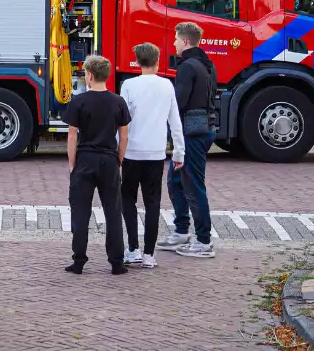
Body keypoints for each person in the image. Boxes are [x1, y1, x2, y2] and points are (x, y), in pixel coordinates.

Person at [63, 55, 130, 275]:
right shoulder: (118, 102)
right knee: (113, 212)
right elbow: (124, 135)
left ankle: (79, 261)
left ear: (89, 76)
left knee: (81, 212)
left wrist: (72, 164)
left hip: (85, 159)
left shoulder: (79, 102)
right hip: (109, 159)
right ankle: (117, 262)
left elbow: (72, 135)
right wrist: (118, 159)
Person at [119, 43, 184, 269]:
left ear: (137, 62)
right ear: (158, 61)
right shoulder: (167, 85)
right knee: (153, 202)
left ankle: (133, 248)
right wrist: (178, 151)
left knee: (127, 198)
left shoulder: (128, 85)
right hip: (156, 152)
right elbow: (175, 122)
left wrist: (117, 148)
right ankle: (149, 253)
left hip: (132, 152)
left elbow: (122, 119)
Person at [157, 21, 218, 258]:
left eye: (175, 39)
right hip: (204, 128)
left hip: (191, 134)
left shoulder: (186, 67)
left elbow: (177, 103)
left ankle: (204, 242)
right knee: (175, 180)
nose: (173, 43)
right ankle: (181, 231)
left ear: (184, 41)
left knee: (193, 185)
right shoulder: (207, 64)